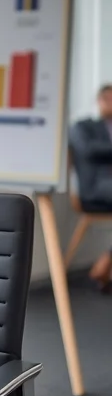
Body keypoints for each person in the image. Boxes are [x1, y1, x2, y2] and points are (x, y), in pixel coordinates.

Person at [68, 84, 112, 291]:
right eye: (107, 99)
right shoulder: (82, 126)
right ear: (99, 101)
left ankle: (107, 259)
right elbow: (88, 151)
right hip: (96, 189)